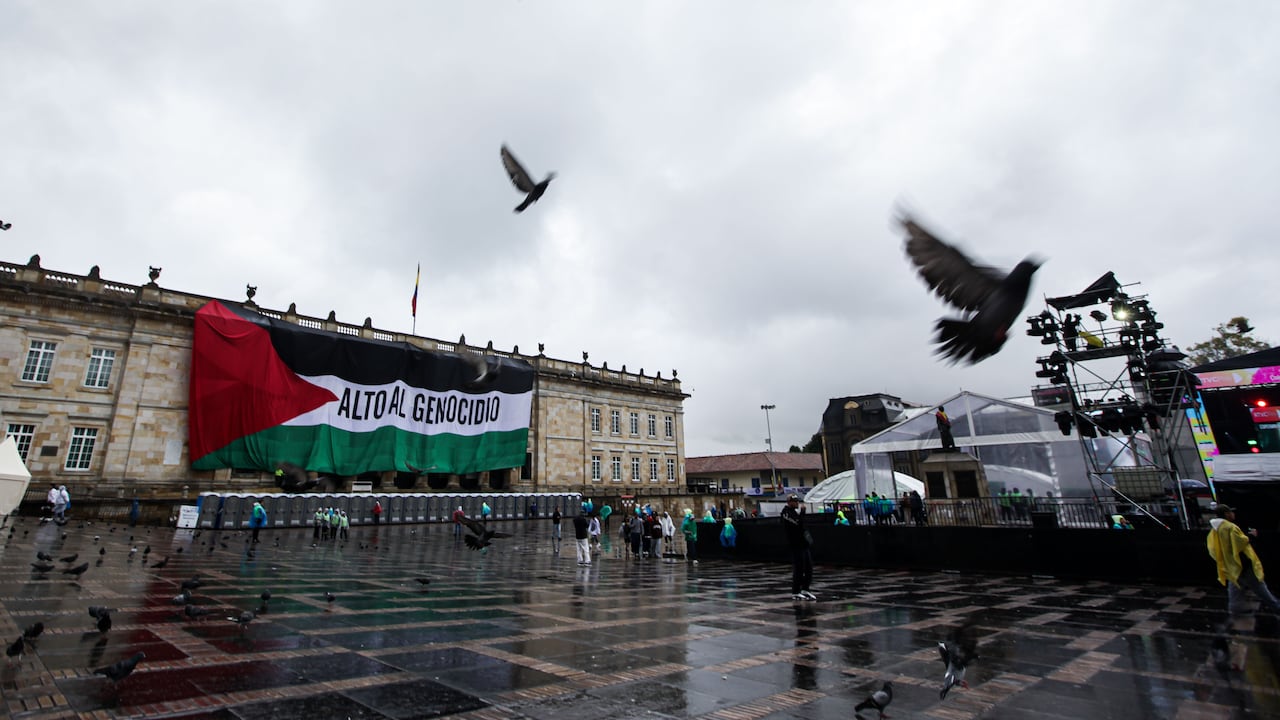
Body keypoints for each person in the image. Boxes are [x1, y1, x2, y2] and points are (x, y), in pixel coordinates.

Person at [1207, 504, 1280, 616]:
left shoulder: (1214, 530)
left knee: (1235, 586)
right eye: (1231, 512)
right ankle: (1276, 607)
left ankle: (1235, 610)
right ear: (1226, 514)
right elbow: (1240, 542)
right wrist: (1251, 537)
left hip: (1231, 565)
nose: (1233, 514)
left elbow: (1212, 549)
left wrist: (1225, 559)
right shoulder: (1230, 527)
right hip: (1243, 564)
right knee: (1260, 587)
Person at [781, 495, 815, 600]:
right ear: (789, 502)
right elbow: (798, 524)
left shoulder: (794, 513)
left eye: (797, 501)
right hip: (796, 545)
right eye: (795, 501)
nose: (797, 503)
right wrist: (803, 513)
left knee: (809, 567)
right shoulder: (786, 513)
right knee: (799, 568)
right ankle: (796, 591)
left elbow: (801, 525)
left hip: (803, 544)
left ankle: (805, 589)